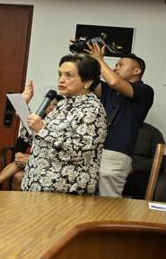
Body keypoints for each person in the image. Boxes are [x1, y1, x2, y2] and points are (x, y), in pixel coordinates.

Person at [18, 55, 106, 195]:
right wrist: (23, 107)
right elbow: (34, 139)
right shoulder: (64, 103)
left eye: (68, 75)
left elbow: (81, 154)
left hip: (64, 189)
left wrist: (43, 129)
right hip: (37, 182)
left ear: (88, 82)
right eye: (60, 74)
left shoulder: (92, 109)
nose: (61, 79)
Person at [87, 42, 151, 198]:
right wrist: (87, 56)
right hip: (93, 150)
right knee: (86, 200)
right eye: (115, 65)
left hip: (116, 153)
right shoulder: (107, 89)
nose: (116, 67)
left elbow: (115, 81)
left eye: (121, 65)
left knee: (108, 203)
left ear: (137, 71)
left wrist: (100, 59)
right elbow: (87, 82)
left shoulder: (145, 91)